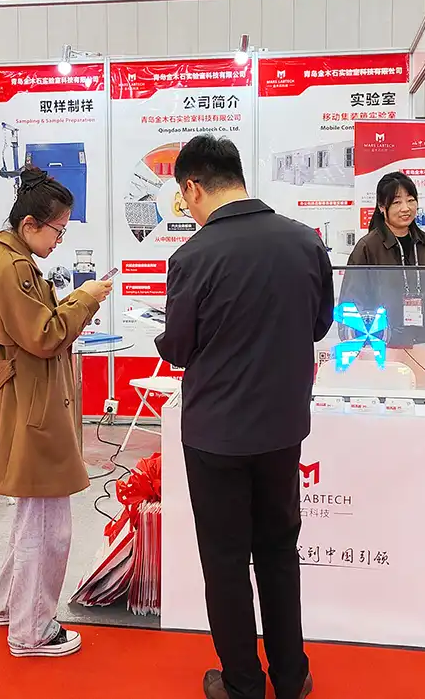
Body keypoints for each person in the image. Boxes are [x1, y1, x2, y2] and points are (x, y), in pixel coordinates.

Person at [155, 135, 332, 699]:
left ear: (192, 188)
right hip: (282, 428)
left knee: (226, 561)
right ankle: (290, 674)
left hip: (217, 435)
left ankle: (242, 684)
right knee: (279, 550)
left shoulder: (193, 256)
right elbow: (320, 325)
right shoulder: (305, 241)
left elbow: (178, 348)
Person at [0, 165, 112, 659]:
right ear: (31, 224)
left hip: (29, 403)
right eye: (58, 230)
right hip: (31, 409)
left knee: (34, 517)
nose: (60, 239)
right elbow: (47, 335)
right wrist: (86, 298)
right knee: (49, 525)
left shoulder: (13, 263)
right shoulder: (13, 269)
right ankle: (32, 630)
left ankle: (11, 608)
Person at [345, 172, 425, 388]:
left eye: (411, 200)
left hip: (421, 341)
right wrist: (357, 346)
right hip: (382, 346)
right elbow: (352, 302)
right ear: (382, 206)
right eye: (397, 202)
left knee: (421, 400)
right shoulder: (368, 247)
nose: (406, 208)